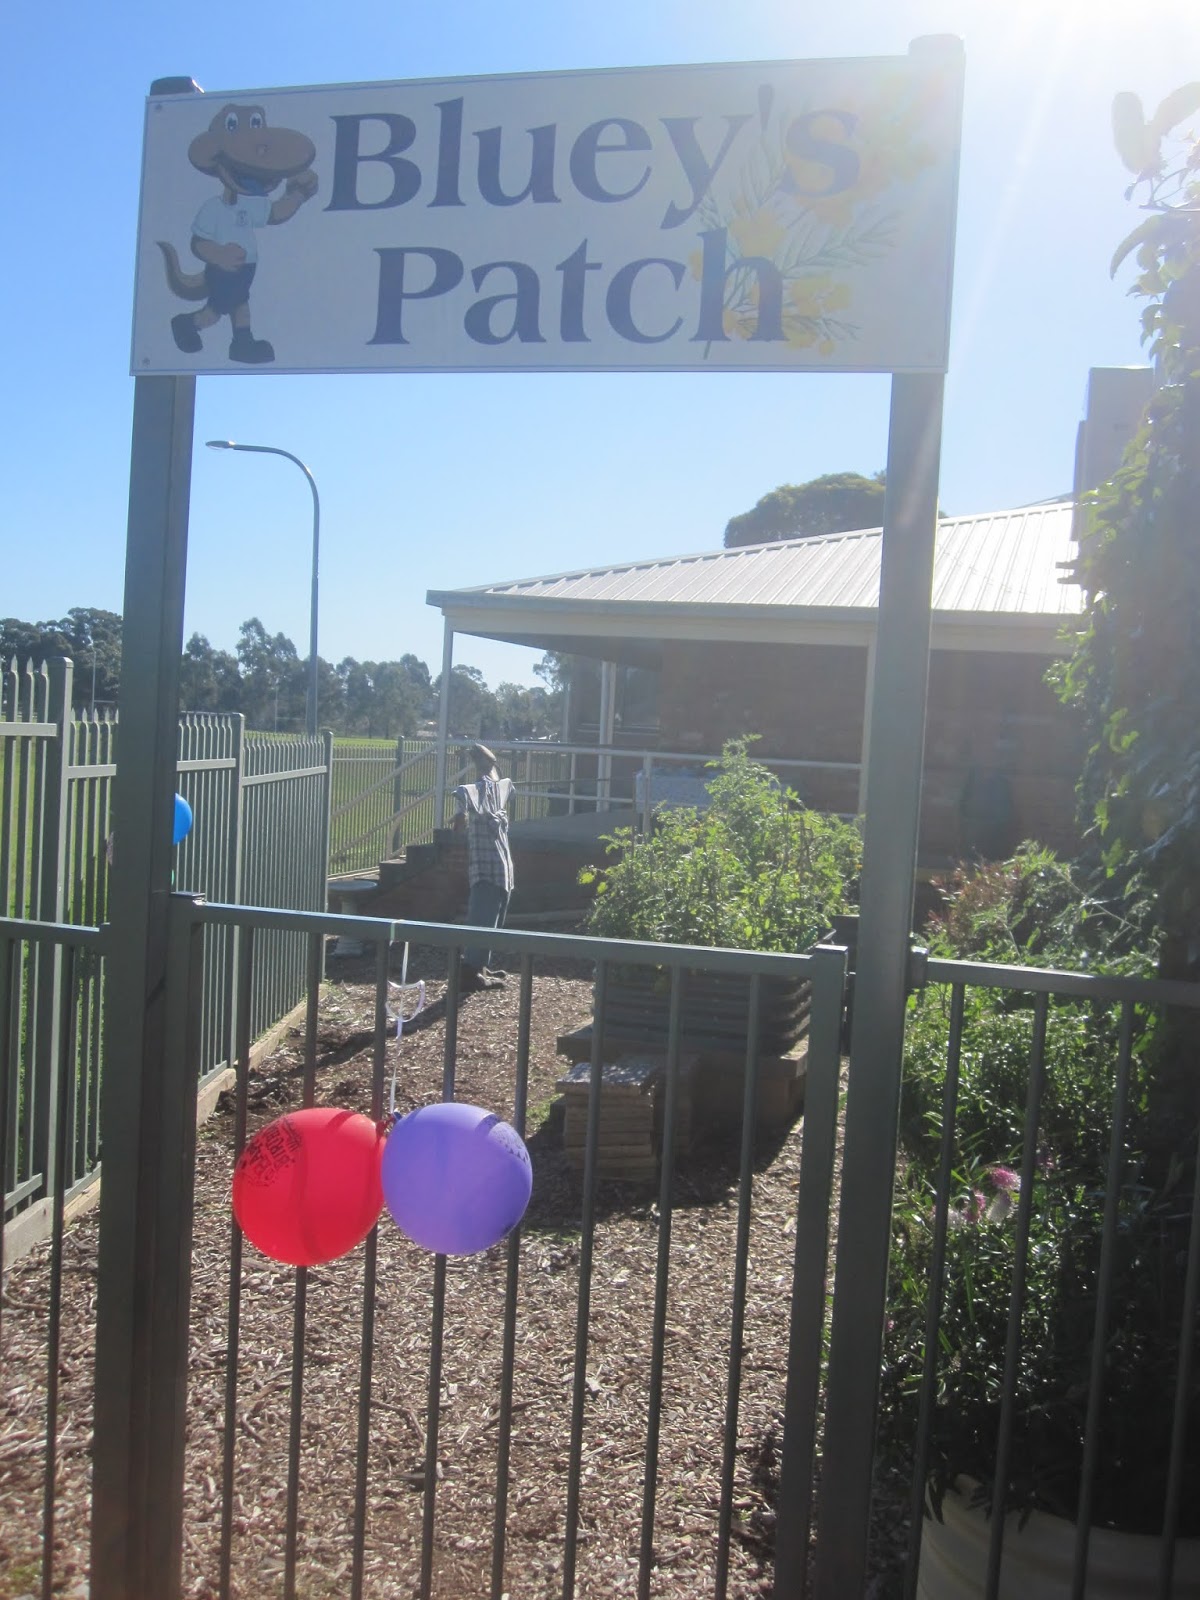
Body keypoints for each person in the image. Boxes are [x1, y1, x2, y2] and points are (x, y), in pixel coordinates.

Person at [452, 743, 515, 991]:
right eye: (485, 763)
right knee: (481, 920)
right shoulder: (476, 792)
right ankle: (470, 971)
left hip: (501, 867)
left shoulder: (498, 791)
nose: (490, 768)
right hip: (486, 869)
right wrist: (460, 815)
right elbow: (462, 798)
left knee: (495, 920)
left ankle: (482, 966)